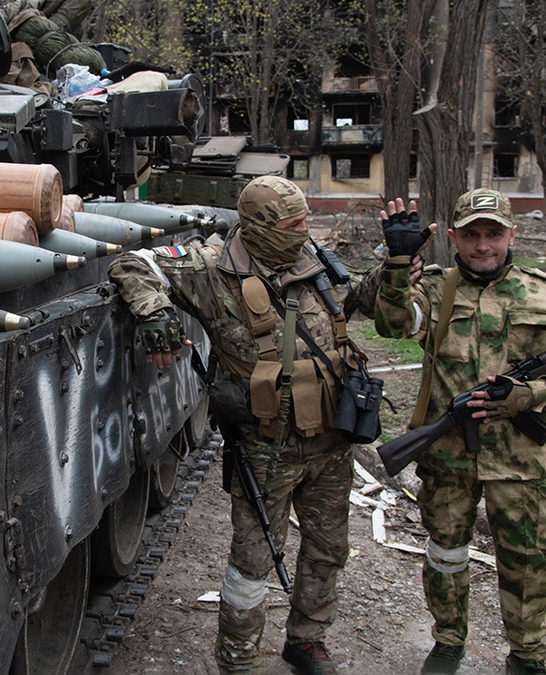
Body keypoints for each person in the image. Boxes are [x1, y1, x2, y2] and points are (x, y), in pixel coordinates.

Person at [107, 176, 377, 675]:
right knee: (251, 565)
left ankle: (306, 640)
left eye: (304, 223)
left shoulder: (313, 263)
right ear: (256, 225)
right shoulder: (211, 268)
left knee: (329, 549)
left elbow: (367, 304)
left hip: (333, 443)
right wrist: (154, 309)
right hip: (267, 449)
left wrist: (398, 266)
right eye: (292, 225)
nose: (303, 233)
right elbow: (132, 263)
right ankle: (238, 660)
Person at [372, 189, 546, 675]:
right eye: (471, 234)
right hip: (449, 456)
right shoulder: (434, 289)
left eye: (493, 233)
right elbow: (392, 325)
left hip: (518, 461)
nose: (483, 245)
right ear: (453, 238)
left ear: (512, 234)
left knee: (526, 562)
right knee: (446, 553)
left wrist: (527, 397)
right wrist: (397, 263)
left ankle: (527, 654)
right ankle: (449, 641)